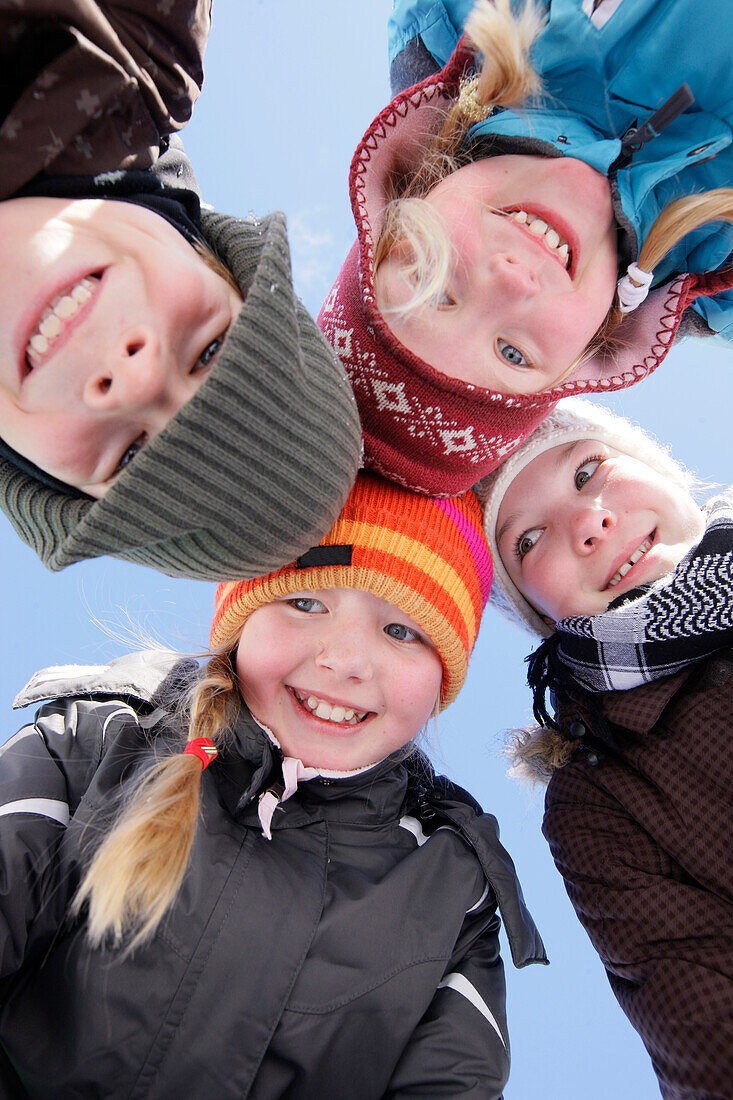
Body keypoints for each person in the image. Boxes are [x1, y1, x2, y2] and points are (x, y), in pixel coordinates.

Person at [0, 471, 545, 1098]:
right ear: (242, 614)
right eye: (307, 602)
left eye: (402, 631)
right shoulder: (101, 740)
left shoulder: (449, 888)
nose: (344, 661)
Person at [0, 1, 361, 579]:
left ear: (34, 480)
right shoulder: (138, 28)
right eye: (211, 350)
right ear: (212, 256)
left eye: (133, 457)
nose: (137, 378)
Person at [318, 0, 733, 496]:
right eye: (513, 353)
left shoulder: (452, 21)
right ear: (587, 355)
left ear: (406, 201)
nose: (512, 281)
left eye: (435, 289)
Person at [476, 398, 733, 1097]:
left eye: (587, 470)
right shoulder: (600, 798)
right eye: (527, 540)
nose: (586, 525)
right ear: (532, 609)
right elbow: (706, 1039)